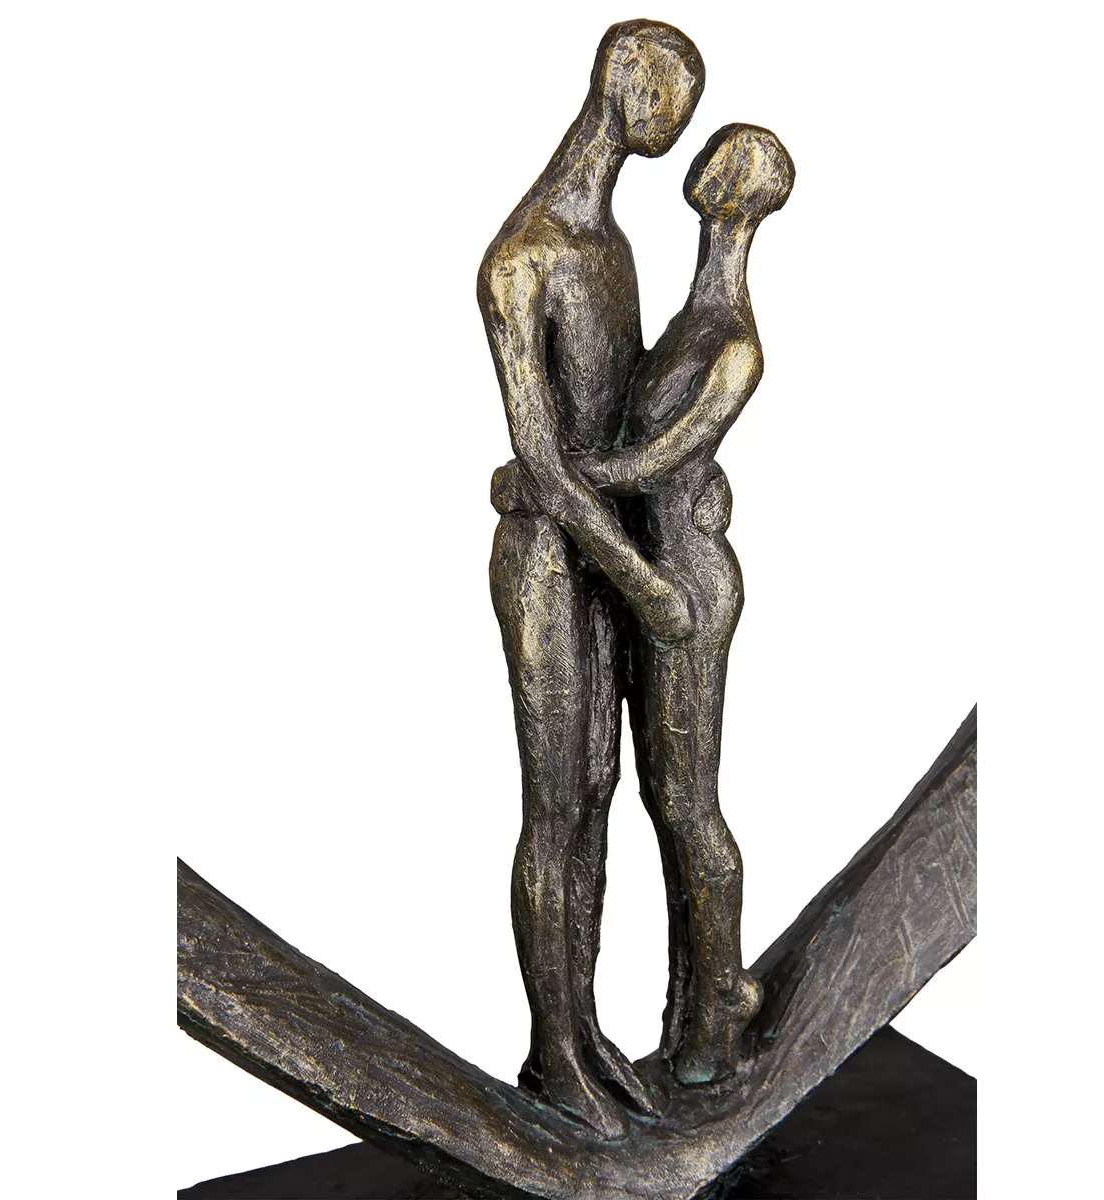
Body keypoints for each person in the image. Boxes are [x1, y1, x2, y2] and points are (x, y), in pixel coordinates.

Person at [496, 123, 795, 1085]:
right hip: (644, 569)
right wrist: (558, 485)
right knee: (633, 797)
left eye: (731, 164)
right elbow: (628, 440)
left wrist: (544, 477)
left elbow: (654, 460)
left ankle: (718, 1004)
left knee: (683, 801)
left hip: (685, 586)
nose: (707, 161)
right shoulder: (683, 313)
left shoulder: (733, 342)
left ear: (745, 200)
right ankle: (664, 1021)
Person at [478, 20, 704, 1136]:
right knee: (556, 805)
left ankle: (582, 1030)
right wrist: (648, 584)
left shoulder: (611, 246)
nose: (681, 121)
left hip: (601, 549)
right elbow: (542, 466)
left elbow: (618, 425)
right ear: (626, 82)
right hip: (549, 561)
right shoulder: (522, 257)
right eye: (674, 95)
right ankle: (552, 1051)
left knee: (602, 793)